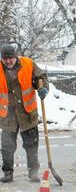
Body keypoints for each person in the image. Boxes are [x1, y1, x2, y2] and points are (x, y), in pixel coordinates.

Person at [0, 44, 49, 183]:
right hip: (7, 115)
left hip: (27, 114)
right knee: (7, 147)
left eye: (10, 58)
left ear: (15, 56)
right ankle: (8, 173)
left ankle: (33, 173)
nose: (8, 61)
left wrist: (44, 88)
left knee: (31, 145)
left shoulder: (28, 63)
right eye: (4, 59)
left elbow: (42, 77)